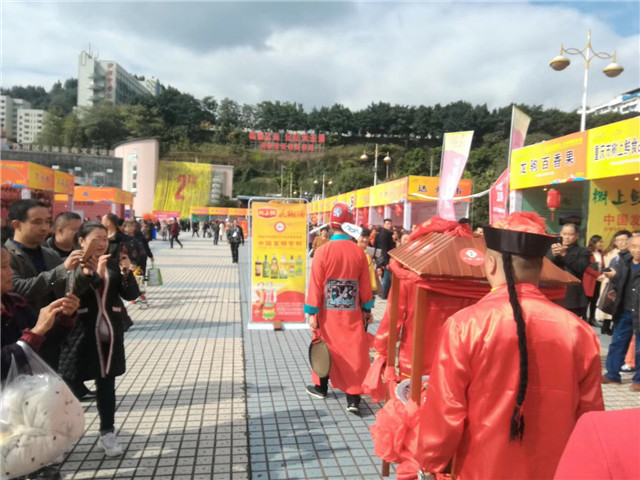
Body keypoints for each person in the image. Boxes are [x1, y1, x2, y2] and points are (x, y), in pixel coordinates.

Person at [416, 212, 603, 479]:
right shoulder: (580, 331)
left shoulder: (464, 325)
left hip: (479, 467)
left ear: (490, 265)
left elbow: (446, 407)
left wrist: (430, 462)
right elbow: (591, 416)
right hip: (556, 468)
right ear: (540, 267)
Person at [58, 222, 140, 457]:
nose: (103, 243)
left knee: (106, 384)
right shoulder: (71, 263)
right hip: (78, 333)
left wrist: (126, 272)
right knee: (70, 385)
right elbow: (69, 291)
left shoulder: (111, 262)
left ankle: (107, 433)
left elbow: (131, 295)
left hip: (108, 334)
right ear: (82, 241)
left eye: (105, 238)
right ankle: (62, 436)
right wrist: (91, 273)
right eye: (96, 238)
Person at [304, 203, 375, 414]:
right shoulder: (359, 253)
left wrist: (312, 313)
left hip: (327, 313)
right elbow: (364, 286)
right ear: (349, 224)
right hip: (352, 312)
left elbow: (315, 285)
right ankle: (353, 398)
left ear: (332, 224)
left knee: (324, 347)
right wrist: (367, 309)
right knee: (354, 351)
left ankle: (321, 387)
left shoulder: (322, 252)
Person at [601, 234, 640, 391]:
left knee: (639, 348)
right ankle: (612, 375)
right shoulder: (623, 262)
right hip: (624, 309)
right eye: (634, 247)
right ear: (629, 248)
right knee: (617, 342)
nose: (638, 250)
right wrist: (614, 277)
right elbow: (619, 282)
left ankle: (638, 380)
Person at [547, 223, 591, 318]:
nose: (567, 237)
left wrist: (565, 254)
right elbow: (543, 266)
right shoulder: (551, 250)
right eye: (564, 234)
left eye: (570, 235)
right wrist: (553, 255)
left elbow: (580, 268)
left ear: (576, 236)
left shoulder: (583, 251)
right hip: (552, 292)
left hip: (572, 295)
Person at [598, 230, 632, 335]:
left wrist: (615, 275)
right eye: (618, 240)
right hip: (616, 297)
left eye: (624, 240)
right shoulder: (615, 259)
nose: (621, 243)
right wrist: (607, 274)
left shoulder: (634, 258)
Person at [583, 234, 605, 326]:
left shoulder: (601, 253)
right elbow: (586, 266)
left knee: (594, 300)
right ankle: (584, 318)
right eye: (600, 242)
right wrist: (597, 275)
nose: (602, 244)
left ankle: (592, 318)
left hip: (599, 280)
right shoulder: (587, 252)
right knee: (586, 300)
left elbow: (603, 265)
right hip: (590, 279)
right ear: (594, 242)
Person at [374, 219, 395, 299]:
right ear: (384, 225)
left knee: (383, 275)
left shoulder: (380, 234)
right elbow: (385, 249)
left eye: (390, 223)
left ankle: (383, 292)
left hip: (379, 257)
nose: (389, 225)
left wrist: (375, 256)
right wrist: (387, 262)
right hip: (385, 258)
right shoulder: (385, 235)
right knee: (386, 275)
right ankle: (383, 293)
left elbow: (375, 245)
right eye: (388, 223)